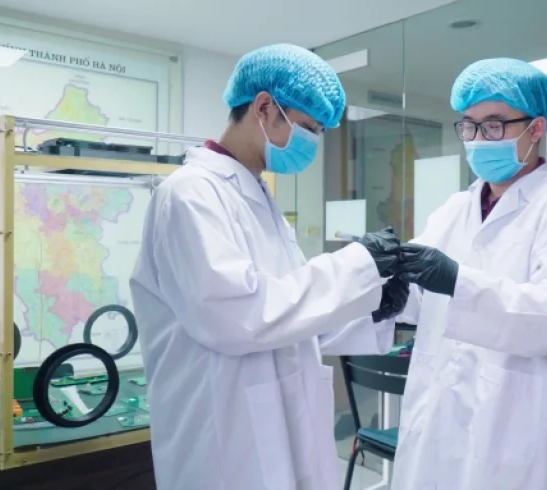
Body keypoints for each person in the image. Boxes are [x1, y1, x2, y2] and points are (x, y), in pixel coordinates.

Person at [129, 44, 410, 490]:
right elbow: (237, 316)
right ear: (263, 108)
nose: (312, 143)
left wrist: (372, 308)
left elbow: (290, 316)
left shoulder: (257, 197)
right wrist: (357, 266)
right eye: (308, 128)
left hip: (277, 426)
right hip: (222, 440)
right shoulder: (190, 195)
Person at [389, 58, 547, 490]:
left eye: (493, 125)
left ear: (536, 128)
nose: (477, 139)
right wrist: (392, 287)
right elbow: (423, 296)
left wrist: (458, 282)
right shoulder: (454, 209)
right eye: (469, 126)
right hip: (438, 423)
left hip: (514, 429)